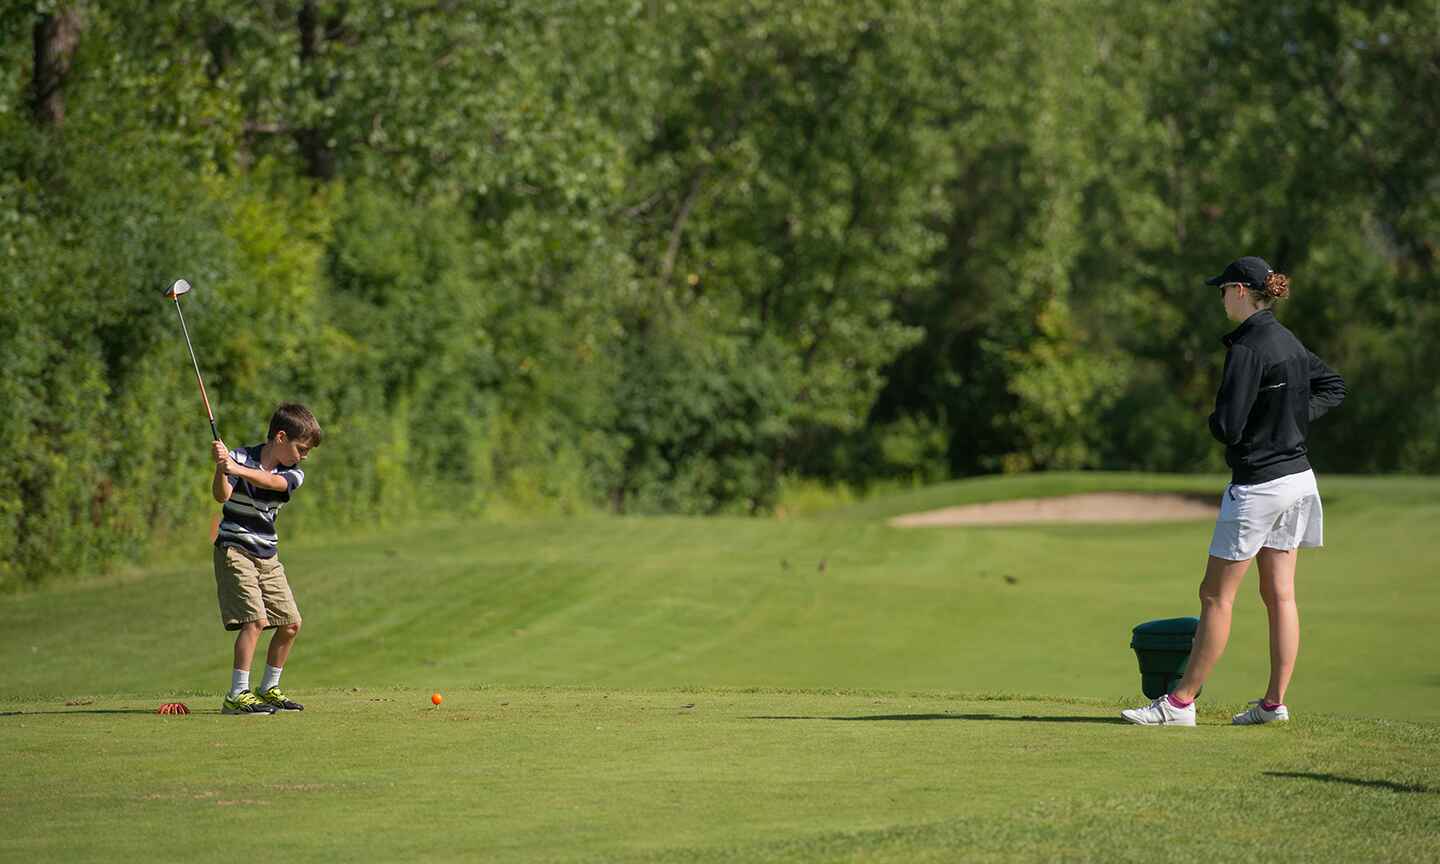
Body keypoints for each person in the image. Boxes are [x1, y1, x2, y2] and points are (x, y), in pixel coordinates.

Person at [1123, 257, 1346, 727]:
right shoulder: (1285, 339)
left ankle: (1180, 703)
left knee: (1214, 596)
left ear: (1241, 291)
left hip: (1259, 485)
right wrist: (1288, 419)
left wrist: (1257, 423)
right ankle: (1273, 703)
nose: (1220, 297)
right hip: (1299, 480)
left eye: (1223, 289)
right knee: (1280, 594)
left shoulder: (1247, 347)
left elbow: (1226, 426)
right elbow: (1332, 386)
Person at [211, 402, 323, 715]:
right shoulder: (238, 457)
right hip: (234, 549)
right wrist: (223, 468)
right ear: (281, 437)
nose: (304, 457)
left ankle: (268, 688)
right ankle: (237, 695)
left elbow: (271, 483)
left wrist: (235, 469)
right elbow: (221, 495)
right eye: (301, 449)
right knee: (256, 621)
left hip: (267, 555)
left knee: (290, 623)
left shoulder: (292, 473)